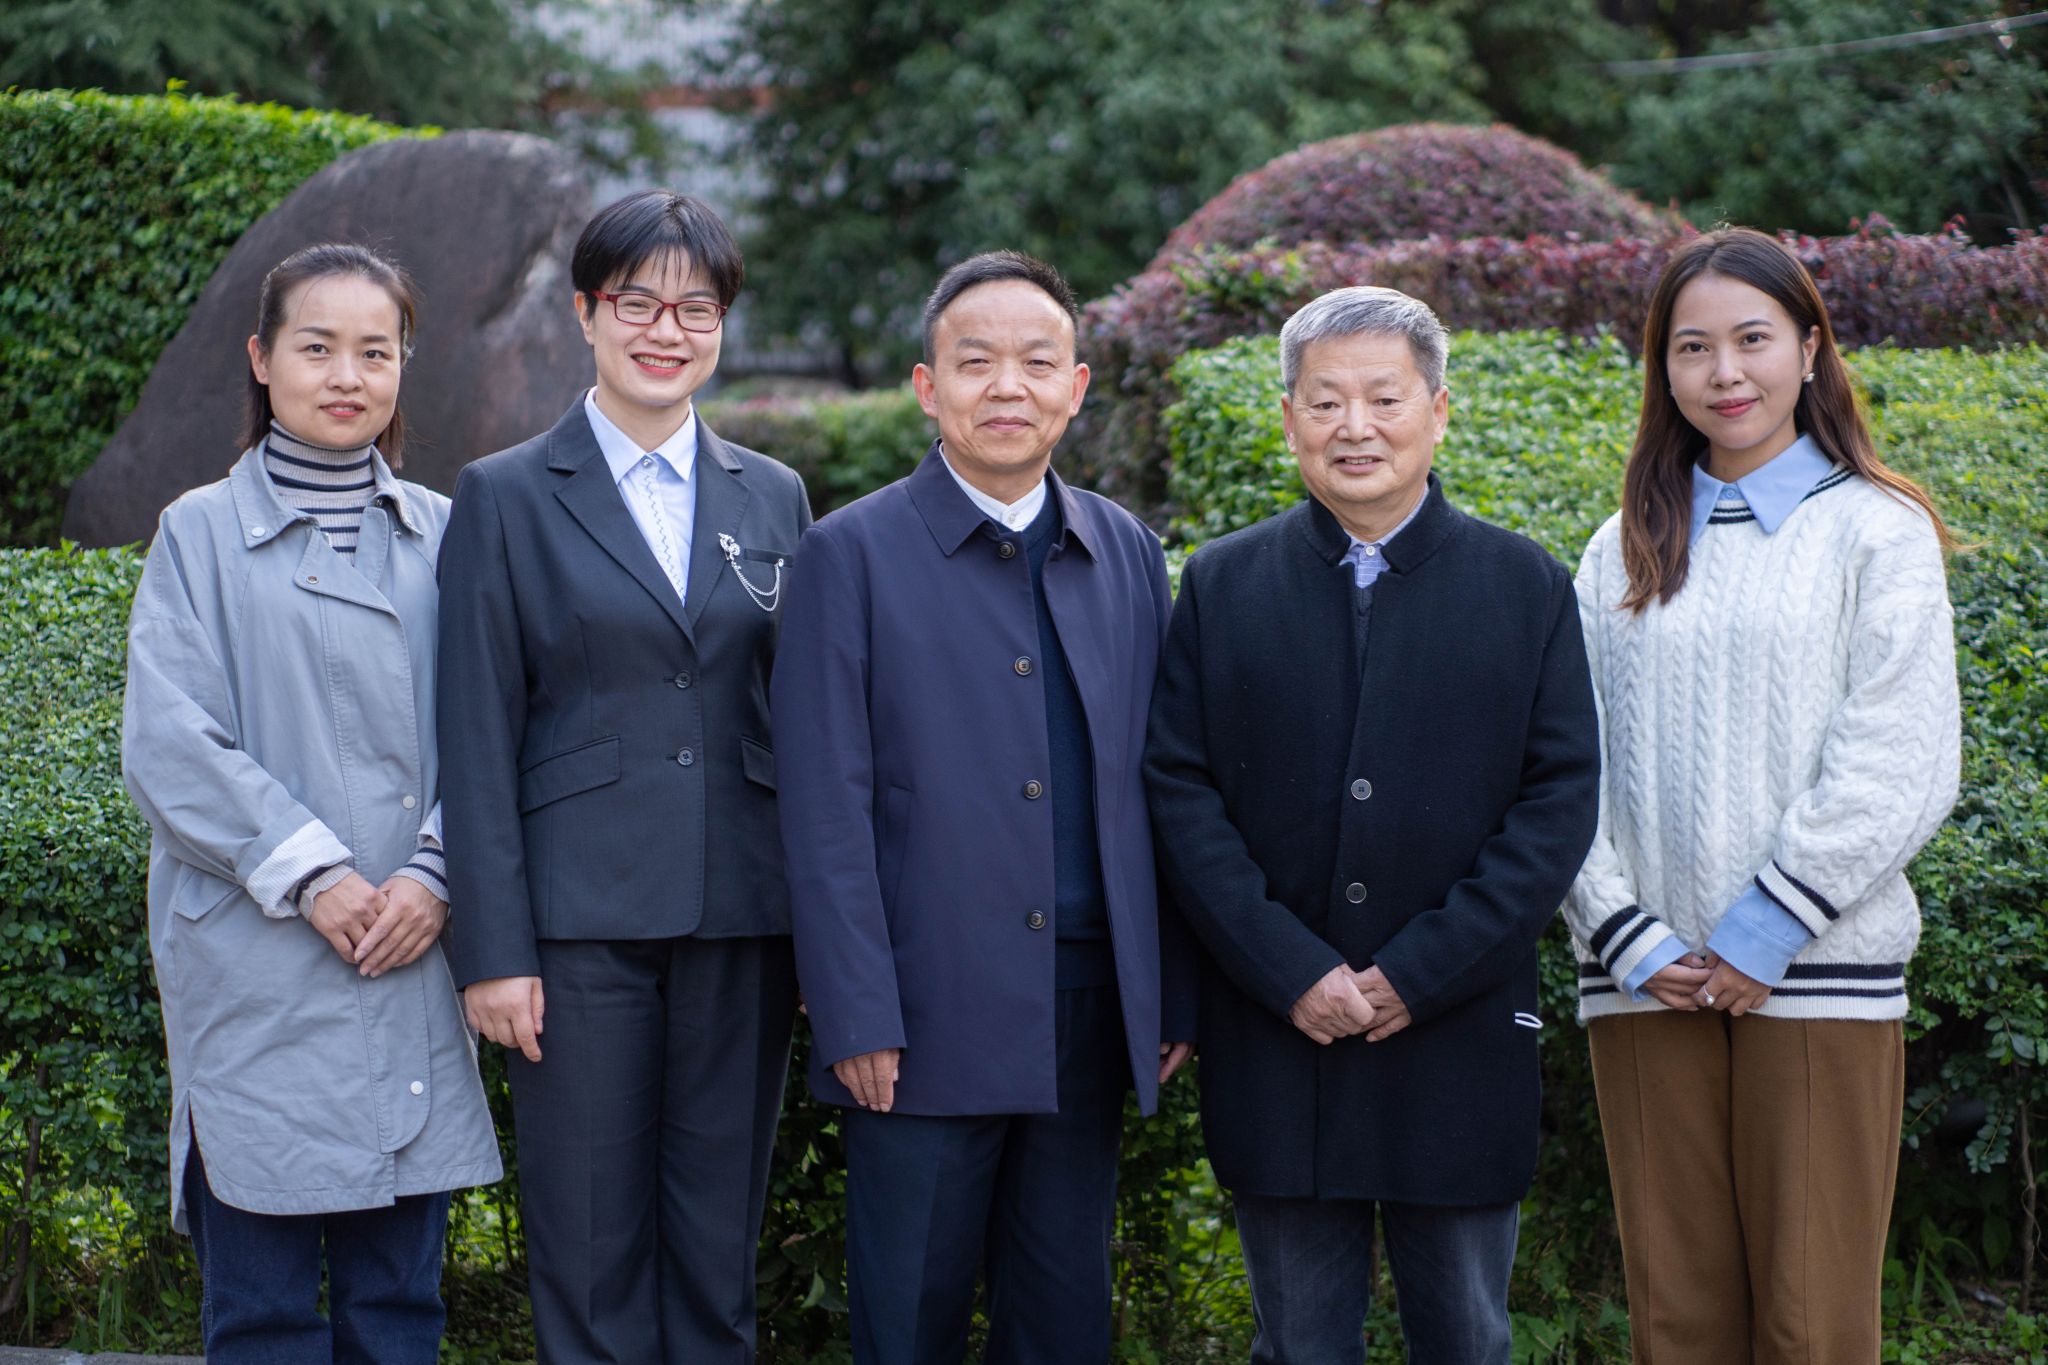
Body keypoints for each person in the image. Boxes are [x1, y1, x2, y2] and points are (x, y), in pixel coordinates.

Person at [1144, 285, 1600, 1364]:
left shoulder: (1524, 585)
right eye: (1325, 401)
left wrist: (1417, 972)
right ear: (1288, 417)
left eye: (1384, 399)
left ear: (1437, 411)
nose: (1355, 427)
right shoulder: (1221, 584)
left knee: (1467, 1339)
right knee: (1297, 1342)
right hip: (1279, 1036)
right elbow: (1179, 790)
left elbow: (1556, 804)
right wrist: (1289, 967)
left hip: (1456, 1038)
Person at [772, 250, 1196, 1365]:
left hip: (1088, 1011)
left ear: (1076, 386)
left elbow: (1162, 785)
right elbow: (822, 801)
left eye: (1036, 362)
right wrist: (854, 1009)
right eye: (975, 363)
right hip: (921, 1014)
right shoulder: (848, 555)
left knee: (1063, 1326)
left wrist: (1166, 985)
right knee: (907, 1321)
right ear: (927, 386)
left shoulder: (1124, 551)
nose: (1007, 386)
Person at [1565, 227, 1960, 1363]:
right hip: (1646, 981)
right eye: (1692, 348)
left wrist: (1765, 927)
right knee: (1676, 1320)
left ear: (1810, 348)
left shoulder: (1874, 530)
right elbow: (1563, 766)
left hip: (1818, 976)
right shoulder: (1617, 549)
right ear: (1663, 369)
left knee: (1811, 1321)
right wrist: (1625, 933)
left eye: (1752, 339)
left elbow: (1900, 755)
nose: (1724, 373)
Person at [435, 189, 810, 1364]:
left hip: (743, 917)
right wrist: (493, 950)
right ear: (586, 313)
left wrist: (823, 935)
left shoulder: (774, 494)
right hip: (575, 930)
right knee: (590, 1251)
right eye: (637, 303)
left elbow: (802, 723)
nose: (666, 330)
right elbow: (474, 733)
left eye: (696, 309)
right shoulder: (503, 494)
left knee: (716, 1251)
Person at [121, 243, 501, 1363]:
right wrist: (314, 873)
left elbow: (499, 725)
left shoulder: (448, 531)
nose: (347, 375)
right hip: (262, 957)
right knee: (263, 1315)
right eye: (317, 347)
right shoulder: (197, 531)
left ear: (403, 366)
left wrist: (436, 871)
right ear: (261, 357)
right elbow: (170, 741)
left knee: (398, 1312)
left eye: (375, 351)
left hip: (411, 949)